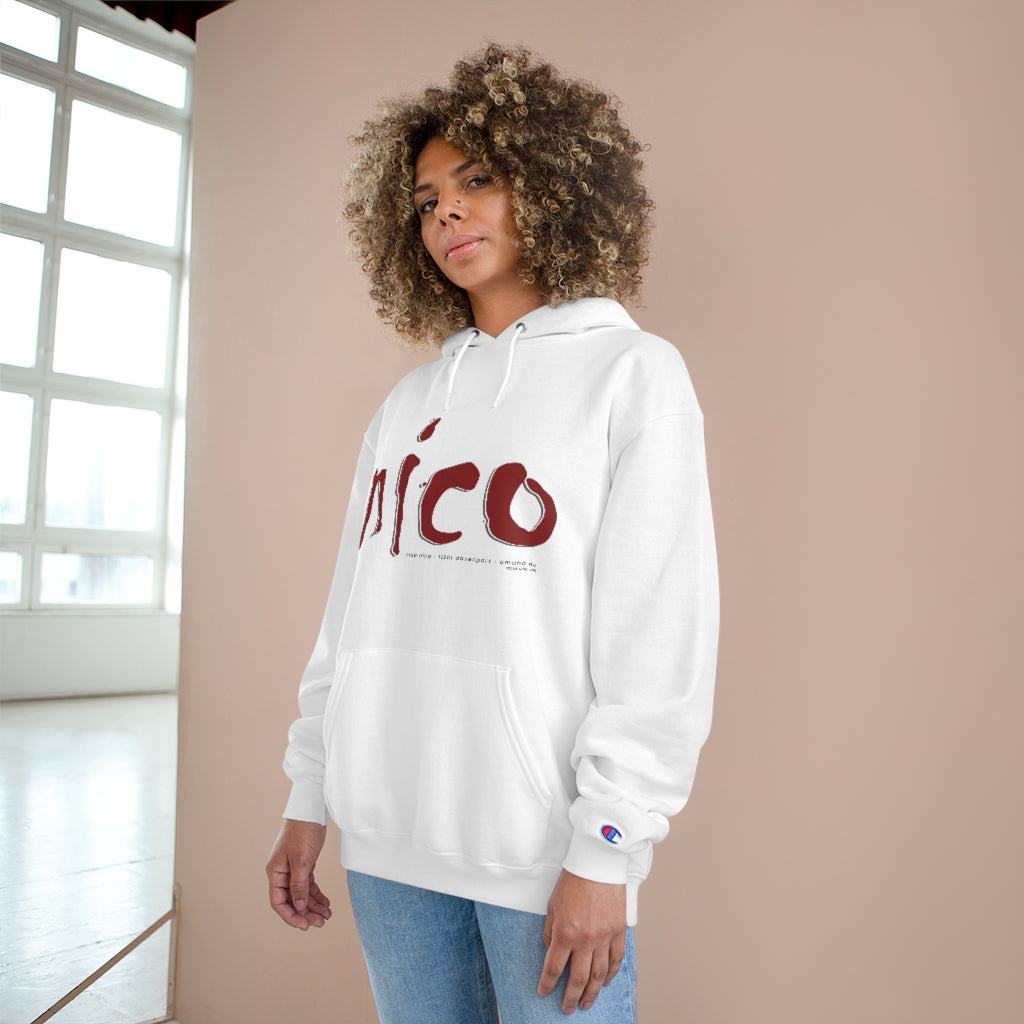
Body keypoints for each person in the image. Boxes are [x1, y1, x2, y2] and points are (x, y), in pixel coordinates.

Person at [266, 43, 719, 1022]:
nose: (447, 214)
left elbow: (659, 636)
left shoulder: (633, 375)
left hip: (541, 852)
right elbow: (349, 619)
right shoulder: (408, 403)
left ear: (551, 186)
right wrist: (311, 796)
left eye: (476, 181)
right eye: (426, 200)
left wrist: (607, 848)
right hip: (385, 844)